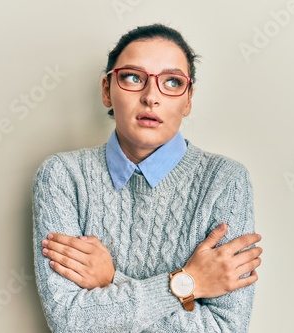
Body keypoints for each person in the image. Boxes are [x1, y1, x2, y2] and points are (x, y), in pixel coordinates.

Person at [33, 23, 263, 333]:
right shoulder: (62, 176)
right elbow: (70, 321)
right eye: (133, 77)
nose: (151, 97)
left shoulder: (225, 181)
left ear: (188, 98)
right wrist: (189, 284)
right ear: (106, 90)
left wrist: (110, 279)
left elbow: (225, 329)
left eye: (171, 81)